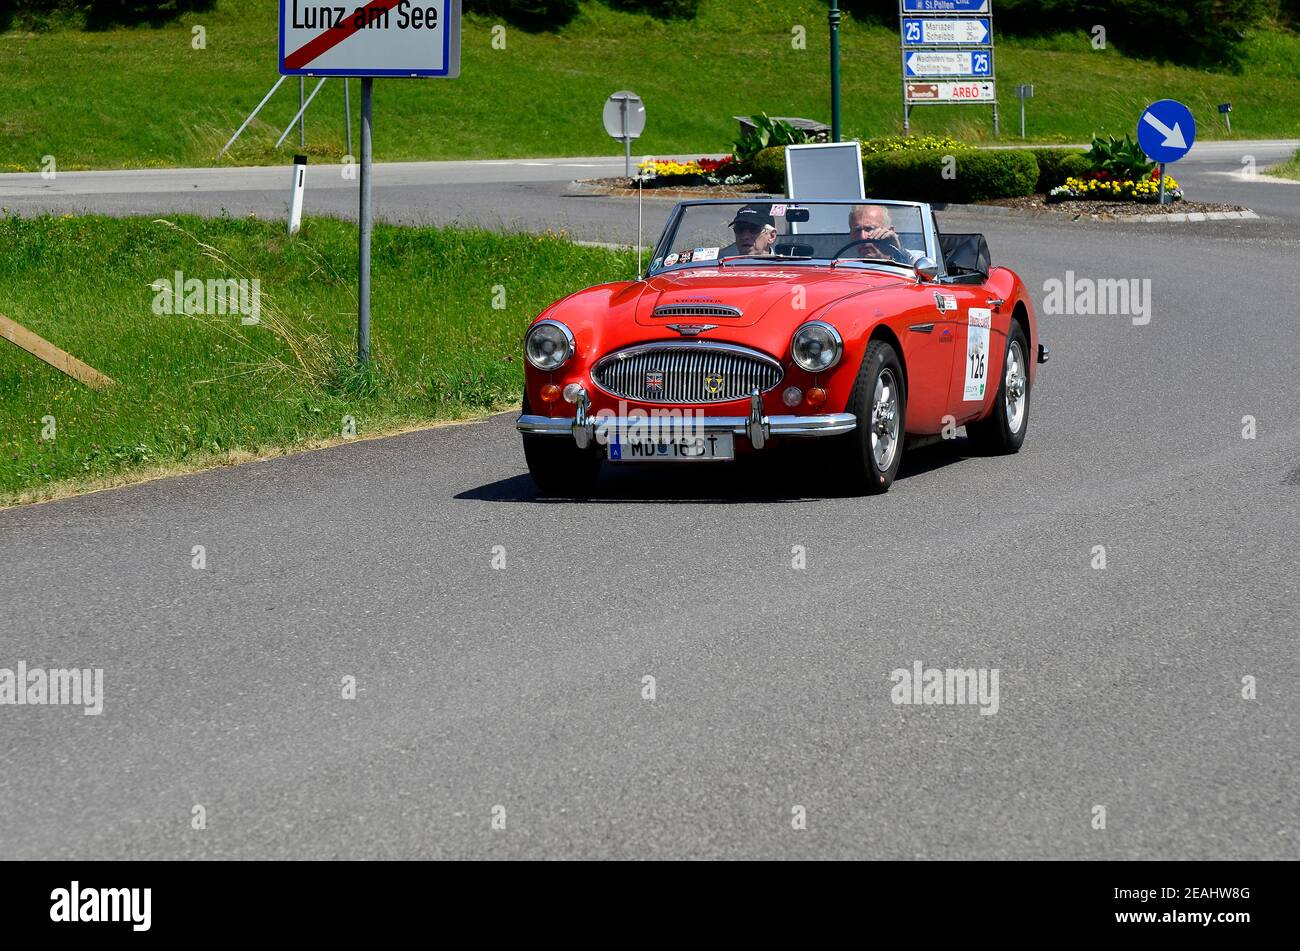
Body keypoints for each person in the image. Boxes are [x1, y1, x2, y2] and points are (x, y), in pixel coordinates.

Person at [846, 204, 915, 263]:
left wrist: (898, 253)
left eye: (869, 229)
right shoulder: (846, 269)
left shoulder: (919, 261)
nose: (862, 237)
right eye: (857, 231)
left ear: (890, 231)